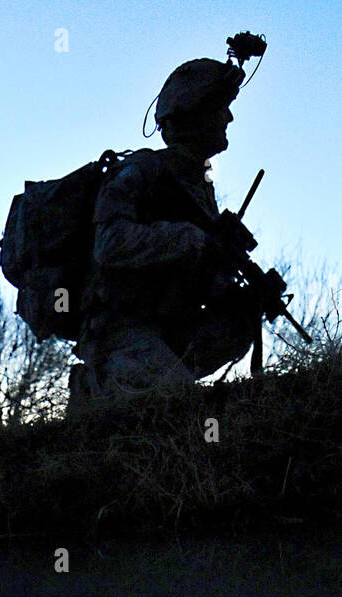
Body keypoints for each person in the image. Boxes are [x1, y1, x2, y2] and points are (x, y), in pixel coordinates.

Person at [73, 57, 258, 404]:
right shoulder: (144, 169)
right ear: (194, 116)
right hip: (118, 327)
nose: (229, 118)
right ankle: (104, 381)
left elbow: (192, 274)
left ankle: (147, 380)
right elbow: (109, 244)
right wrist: (191, 239)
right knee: (176, 407)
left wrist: (236, 292)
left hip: (167, 325)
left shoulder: (200, 188)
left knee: (237, 325)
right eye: (220, 108)